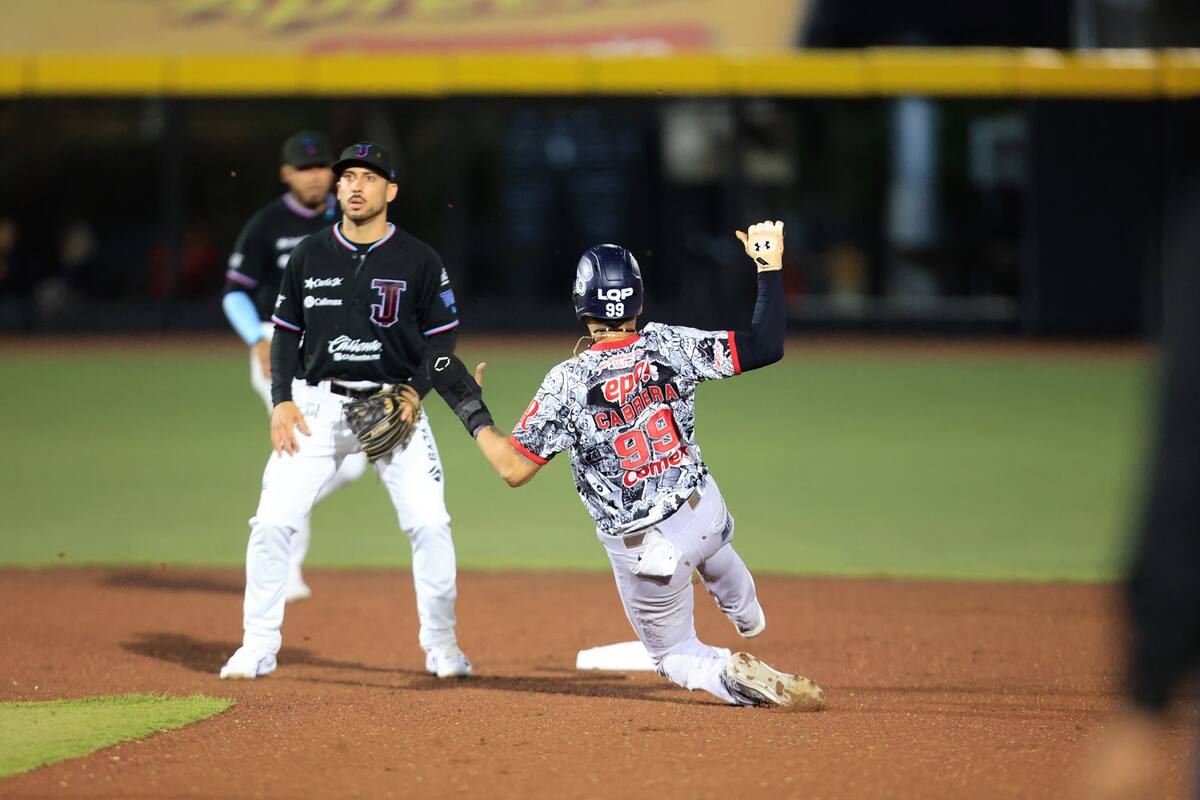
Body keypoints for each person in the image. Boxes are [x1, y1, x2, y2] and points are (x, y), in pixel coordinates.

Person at [427, 220, 825, 709]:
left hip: (649, 551)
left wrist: (470, 408)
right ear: (637, 301)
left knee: (675, 655)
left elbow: (513, 469)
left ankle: (728, 671)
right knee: (714, 544)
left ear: (581, 305)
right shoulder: (669, 344)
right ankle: (747, 614)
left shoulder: (568, 382)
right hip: (706, 510)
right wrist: (768, 267)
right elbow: (767, 344)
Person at [220, 141, 471, 680]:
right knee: (270, 522)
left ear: (391, 190)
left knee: (430, 524)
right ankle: (258, 644)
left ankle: (442, 645)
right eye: (348, 177)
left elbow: (444, 334)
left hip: (393, 408)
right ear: (339, 189)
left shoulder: (419, 259)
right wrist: (281, 399)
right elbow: (285, 332)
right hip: (316, 406)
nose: (356, 185)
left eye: (369, 177)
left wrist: (414, 392)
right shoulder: (310, 254)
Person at [221, 131, 366, 602]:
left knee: (352, 464)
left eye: (322, 165)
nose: (314, 175)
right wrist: (256, 338)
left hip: (340, 350)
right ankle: (285, 566)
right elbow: (235, 290)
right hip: (279, 347)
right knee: (299, 451)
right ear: (286, 173)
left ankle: (275, 513)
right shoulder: (268, 224)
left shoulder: (350, 216)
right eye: (304, 167)